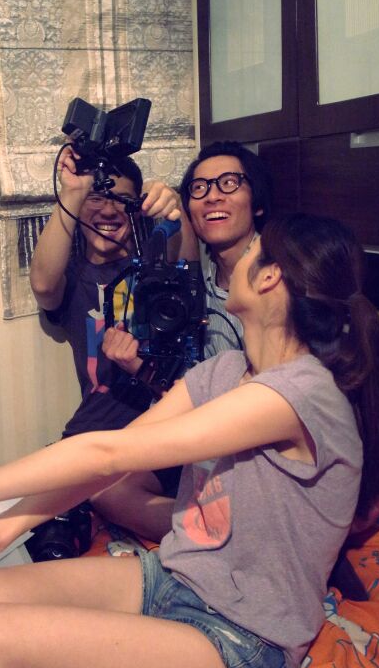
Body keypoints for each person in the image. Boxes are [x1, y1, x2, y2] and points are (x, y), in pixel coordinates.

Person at [0, 212, 379, 668]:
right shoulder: (226, 371)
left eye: (253, 249)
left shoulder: (302, 392)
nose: (235, 258)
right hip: (169, 578)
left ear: (271, 276)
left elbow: (106, 451)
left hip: (240, 637)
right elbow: (105, 467)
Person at [94, 140, 273, 538]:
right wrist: (137, 366)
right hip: (205, 441)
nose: (213, 196)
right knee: (107, 490)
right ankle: (219, 532)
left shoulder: (280, 275)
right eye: (200, 188)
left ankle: (232, 530)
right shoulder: (196, 282)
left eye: (229, 183)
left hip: (262, 447)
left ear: (257, 202)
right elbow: (187, 390)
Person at [29, 144, 191, 438]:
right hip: (93, 431)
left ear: (137, 210)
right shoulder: (74, 277)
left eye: (121, 200)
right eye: (96, 198)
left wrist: (173, 206)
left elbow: (186, 262)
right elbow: (43, 285)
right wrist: (73, 191)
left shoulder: (156, 266)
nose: (108, 210)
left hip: (161, 432)